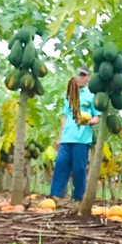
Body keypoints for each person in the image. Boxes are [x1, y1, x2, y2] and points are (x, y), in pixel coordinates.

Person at [50, 68, 97, 200]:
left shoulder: (92, 96)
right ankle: (55, 197)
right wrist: (59, 138)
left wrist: (88, 122)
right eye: (78, 75)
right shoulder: (70, 95)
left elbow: (97, 117)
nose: (80, 78)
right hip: (66, 138)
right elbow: (65, 117)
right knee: (60, 166)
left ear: (88, 77)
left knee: (79, 170)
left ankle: (78, 198)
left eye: (83, 75)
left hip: (82, 140)